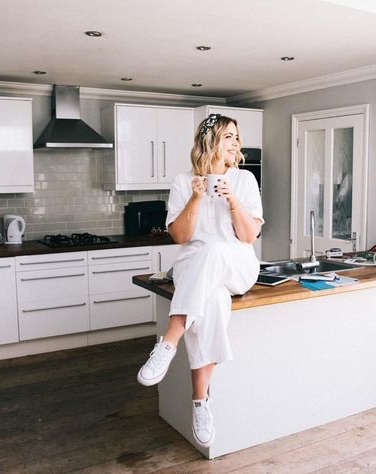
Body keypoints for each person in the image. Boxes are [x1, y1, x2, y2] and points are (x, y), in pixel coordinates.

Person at [137, 114, 264, 447]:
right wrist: (195, 198)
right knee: (213, 304)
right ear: (211, 142)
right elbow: (180, 237)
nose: (236, 143)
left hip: (238, 266)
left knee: (215, 249)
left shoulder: (245, 180)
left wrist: (233, 200)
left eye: (237, 137)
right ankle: (200, 402)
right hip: (196, 271)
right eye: (228, 137)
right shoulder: (183, 182)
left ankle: (168, 342)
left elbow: (249, 236)